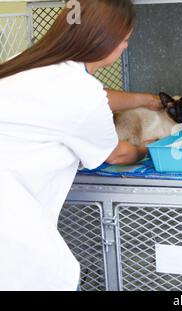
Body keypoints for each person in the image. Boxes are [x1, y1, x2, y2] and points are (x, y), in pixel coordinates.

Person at [0, 0, 158, 290]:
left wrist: (146, 100)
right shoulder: (81, 94)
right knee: (50, 275)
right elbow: (116, 153)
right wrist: (152, 148)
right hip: (11, 227)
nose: (125, 48)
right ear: (103, 41)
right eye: (124, 41)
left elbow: (90, 98)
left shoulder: (29, 62)